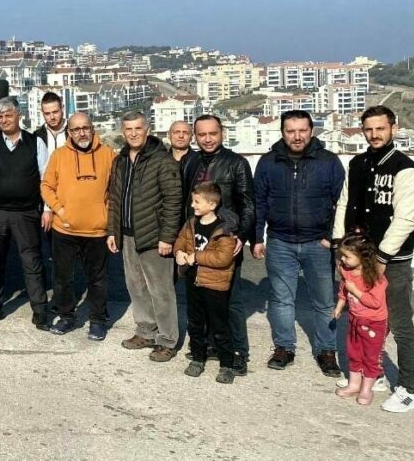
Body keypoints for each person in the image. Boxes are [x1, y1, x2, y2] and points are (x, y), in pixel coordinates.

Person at [333, 105, 414, 413]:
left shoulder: (406, 168)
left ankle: (408, 388)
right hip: (358, 258)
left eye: (380, 128)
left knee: (398, 323)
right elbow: (346, 203)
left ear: (393, 128)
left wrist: (382, 257)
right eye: (368, 129)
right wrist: (338, 245)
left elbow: (405, 219)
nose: (374, 134)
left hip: (392, 261)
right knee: (363, 322)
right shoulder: (357, 163)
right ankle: (375, 372)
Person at [251, 110, 345, 375]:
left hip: (319, 243)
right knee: (281, 300)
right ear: (282, 133)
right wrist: (257, 237)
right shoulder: (269, 162)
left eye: (302, 130)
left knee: (325, 301)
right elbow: (259, 201)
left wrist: (331, 237)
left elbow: (342, 202)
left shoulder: (328, 162)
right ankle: (284, 347)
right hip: (280, 241)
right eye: (291, 131)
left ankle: (326, 350)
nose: (297, 136)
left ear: (311, 131)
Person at [181, 115, 257, 376]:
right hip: (197, 241)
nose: (208, 139)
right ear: (195, 136)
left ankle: (238, 352)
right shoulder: (191, 162)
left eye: (213, 133)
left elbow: (247, 204)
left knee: (230, 300)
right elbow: (185, 203)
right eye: (202, 134)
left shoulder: (236, 163)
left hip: (226, 241)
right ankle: (208, 346)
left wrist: (242, 236)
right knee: (201, 299)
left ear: (222, 133)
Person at [106, 111, 181, 362]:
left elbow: (173, 201)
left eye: (138, 128)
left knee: (161, 291)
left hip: (154, 235)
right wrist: (112, 232)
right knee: (136, 287)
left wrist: (168, 237)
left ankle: (167, 340)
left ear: (147, 129)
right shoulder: (120, 161)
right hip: (127, 235)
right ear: (123, 132)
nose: (134, 133)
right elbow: (115, 199)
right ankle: (146, 331)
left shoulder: (162, 161)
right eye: (129, 129)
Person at [0, 96, 51, 330]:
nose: (4, 120)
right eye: (0, 117)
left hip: (26, 213)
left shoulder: (35, 143)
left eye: (9, 115)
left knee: (32, 262)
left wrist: (47, 209)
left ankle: (40, 311)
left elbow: (46, 178)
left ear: (19, 115)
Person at [40, 111, 116, 340]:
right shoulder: (59, 156)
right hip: (65, 229)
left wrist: (107, 218)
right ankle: (67, 317)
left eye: (85, 128)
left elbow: (115, 191)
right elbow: (46, 186)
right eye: (76, 129)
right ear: (69, 132)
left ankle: (98, 320)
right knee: (63, 277)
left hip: (97, 230)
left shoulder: (108, 155)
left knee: (98, 279)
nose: (81, 132)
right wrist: (60, 210)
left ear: (92, 129)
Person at [175, 182, 238, 384]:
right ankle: (197, 358)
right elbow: (181, 240)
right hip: (193, 282)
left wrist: (196, 257)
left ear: (212, 204)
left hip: (214, 286)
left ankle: (227, 364)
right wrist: (179, 253)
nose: (193, 205)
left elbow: (223, 258)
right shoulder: (191, 223)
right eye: (193, 201)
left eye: (197, 202)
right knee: (195, 322)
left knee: (219, 325)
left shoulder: (224, 230)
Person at [332, 234, 388, 406]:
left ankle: (366, 389)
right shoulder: (347, 272)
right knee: (354, 353)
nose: (343, 259)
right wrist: (339, 307)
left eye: (347, 256)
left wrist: (355, 290)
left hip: (374, 323)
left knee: (371, 357)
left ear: (363, 257)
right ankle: (354, 384)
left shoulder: (375, 278)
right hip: (355, 320)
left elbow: (374, 302)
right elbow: (344, 292)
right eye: (342, 255)